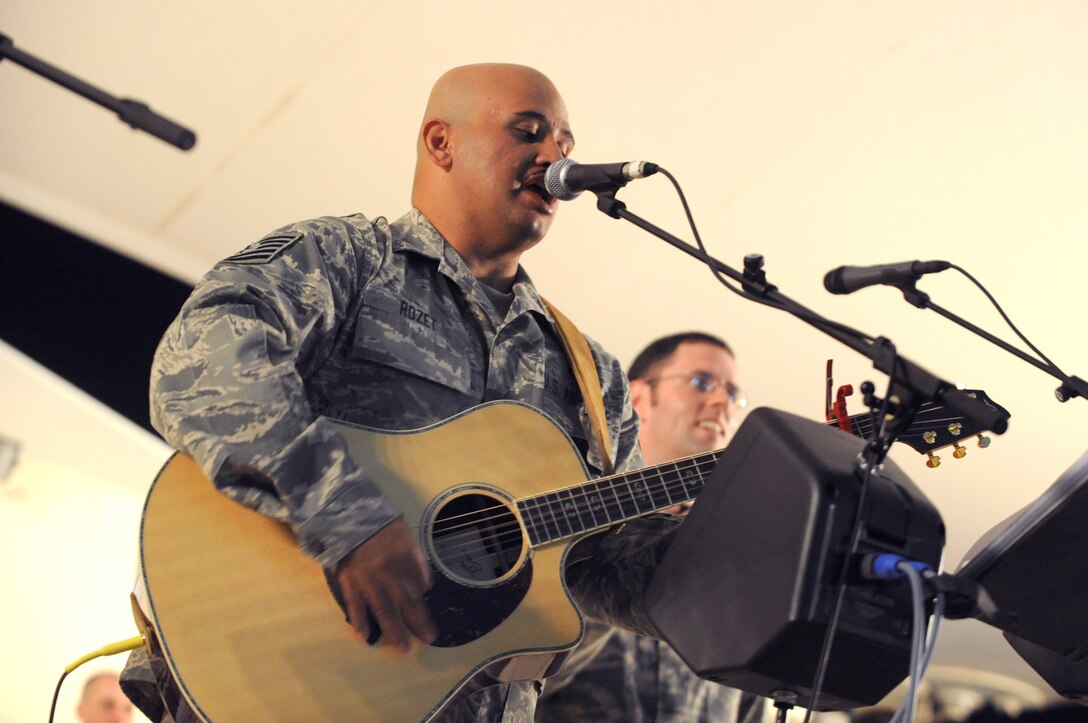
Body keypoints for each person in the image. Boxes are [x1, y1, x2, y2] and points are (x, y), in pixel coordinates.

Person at [119, 63, 664, 722]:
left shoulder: (590, 372)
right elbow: (201, 364)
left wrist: (743, 521)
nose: (554, 157)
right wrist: (347, 517)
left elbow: (610, 567)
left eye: (566, 147)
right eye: (529, 133)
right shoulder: (343, 260)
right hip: (290, 683)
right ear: (441, 143)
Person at [537, 331, 765, 722]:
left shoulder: (733, 561)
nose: (721, 402)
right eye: (702, 382)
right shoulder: (570, 514)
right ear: (637, 398)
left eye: (731, 393)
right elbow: (516, 684)